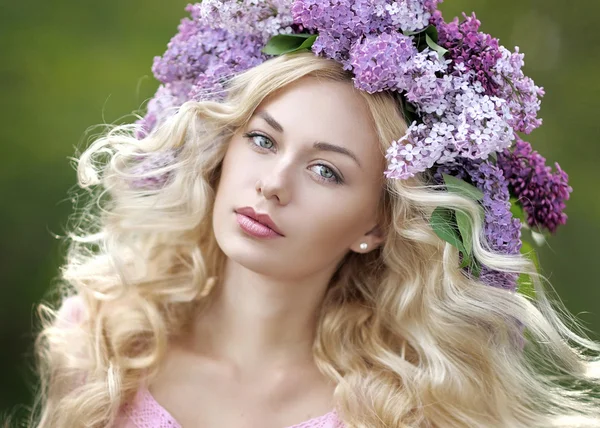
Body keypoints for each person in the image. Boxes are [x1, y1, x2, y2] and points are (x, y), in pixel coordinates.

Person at [27, 2, 600, 427]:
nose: (274, 185)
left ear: (375, 226)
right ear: (225, 148)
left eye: (326, 171)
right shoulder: (99, 345)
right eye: (262, 140)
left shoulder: (407, 412)